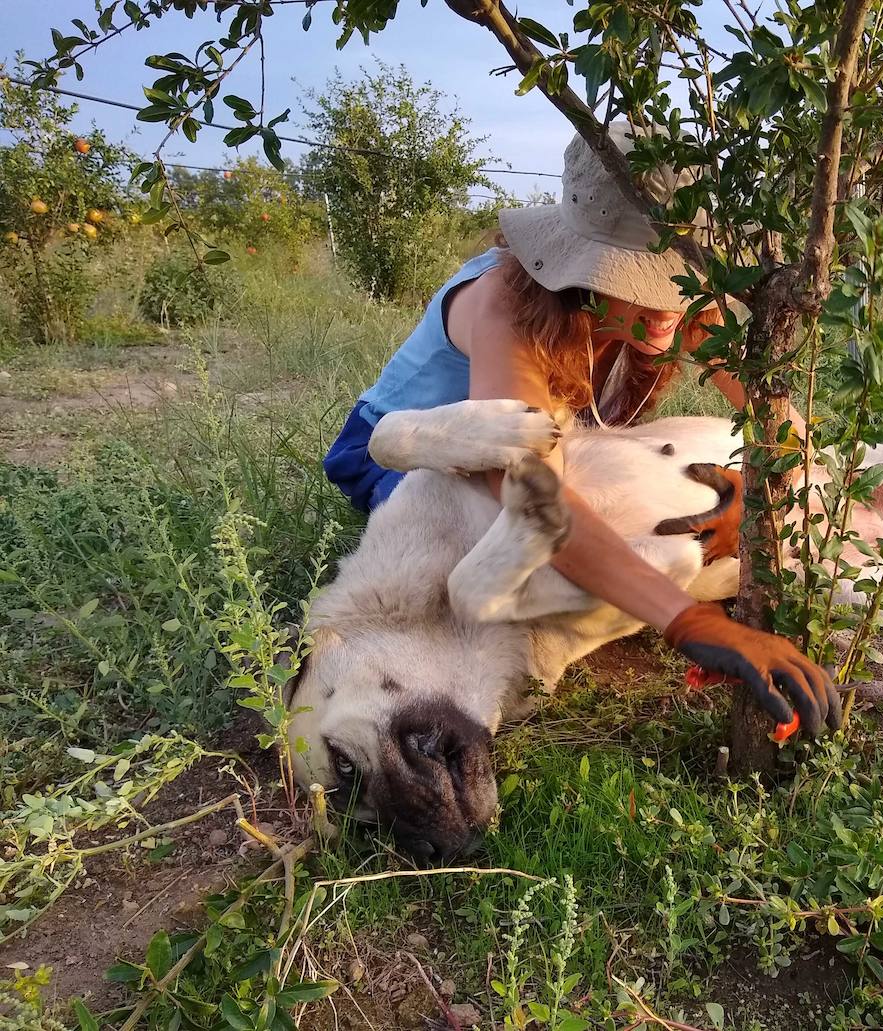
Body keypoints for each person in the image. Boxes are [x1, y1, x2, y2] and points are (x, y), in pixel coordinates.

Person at [324, 123, 838, 736]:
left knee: (620, 520)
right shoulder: (506, 308)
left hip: (540, 456)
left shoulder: (680, 300)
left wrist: (761, 490)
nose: (666, 301)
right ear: (578, 271)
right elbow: (537, 502)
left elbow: (782, 425)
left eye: (682, 274)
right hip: (416, 463)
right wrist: (688, 621)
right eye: (636, 282)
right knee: (535, 554)